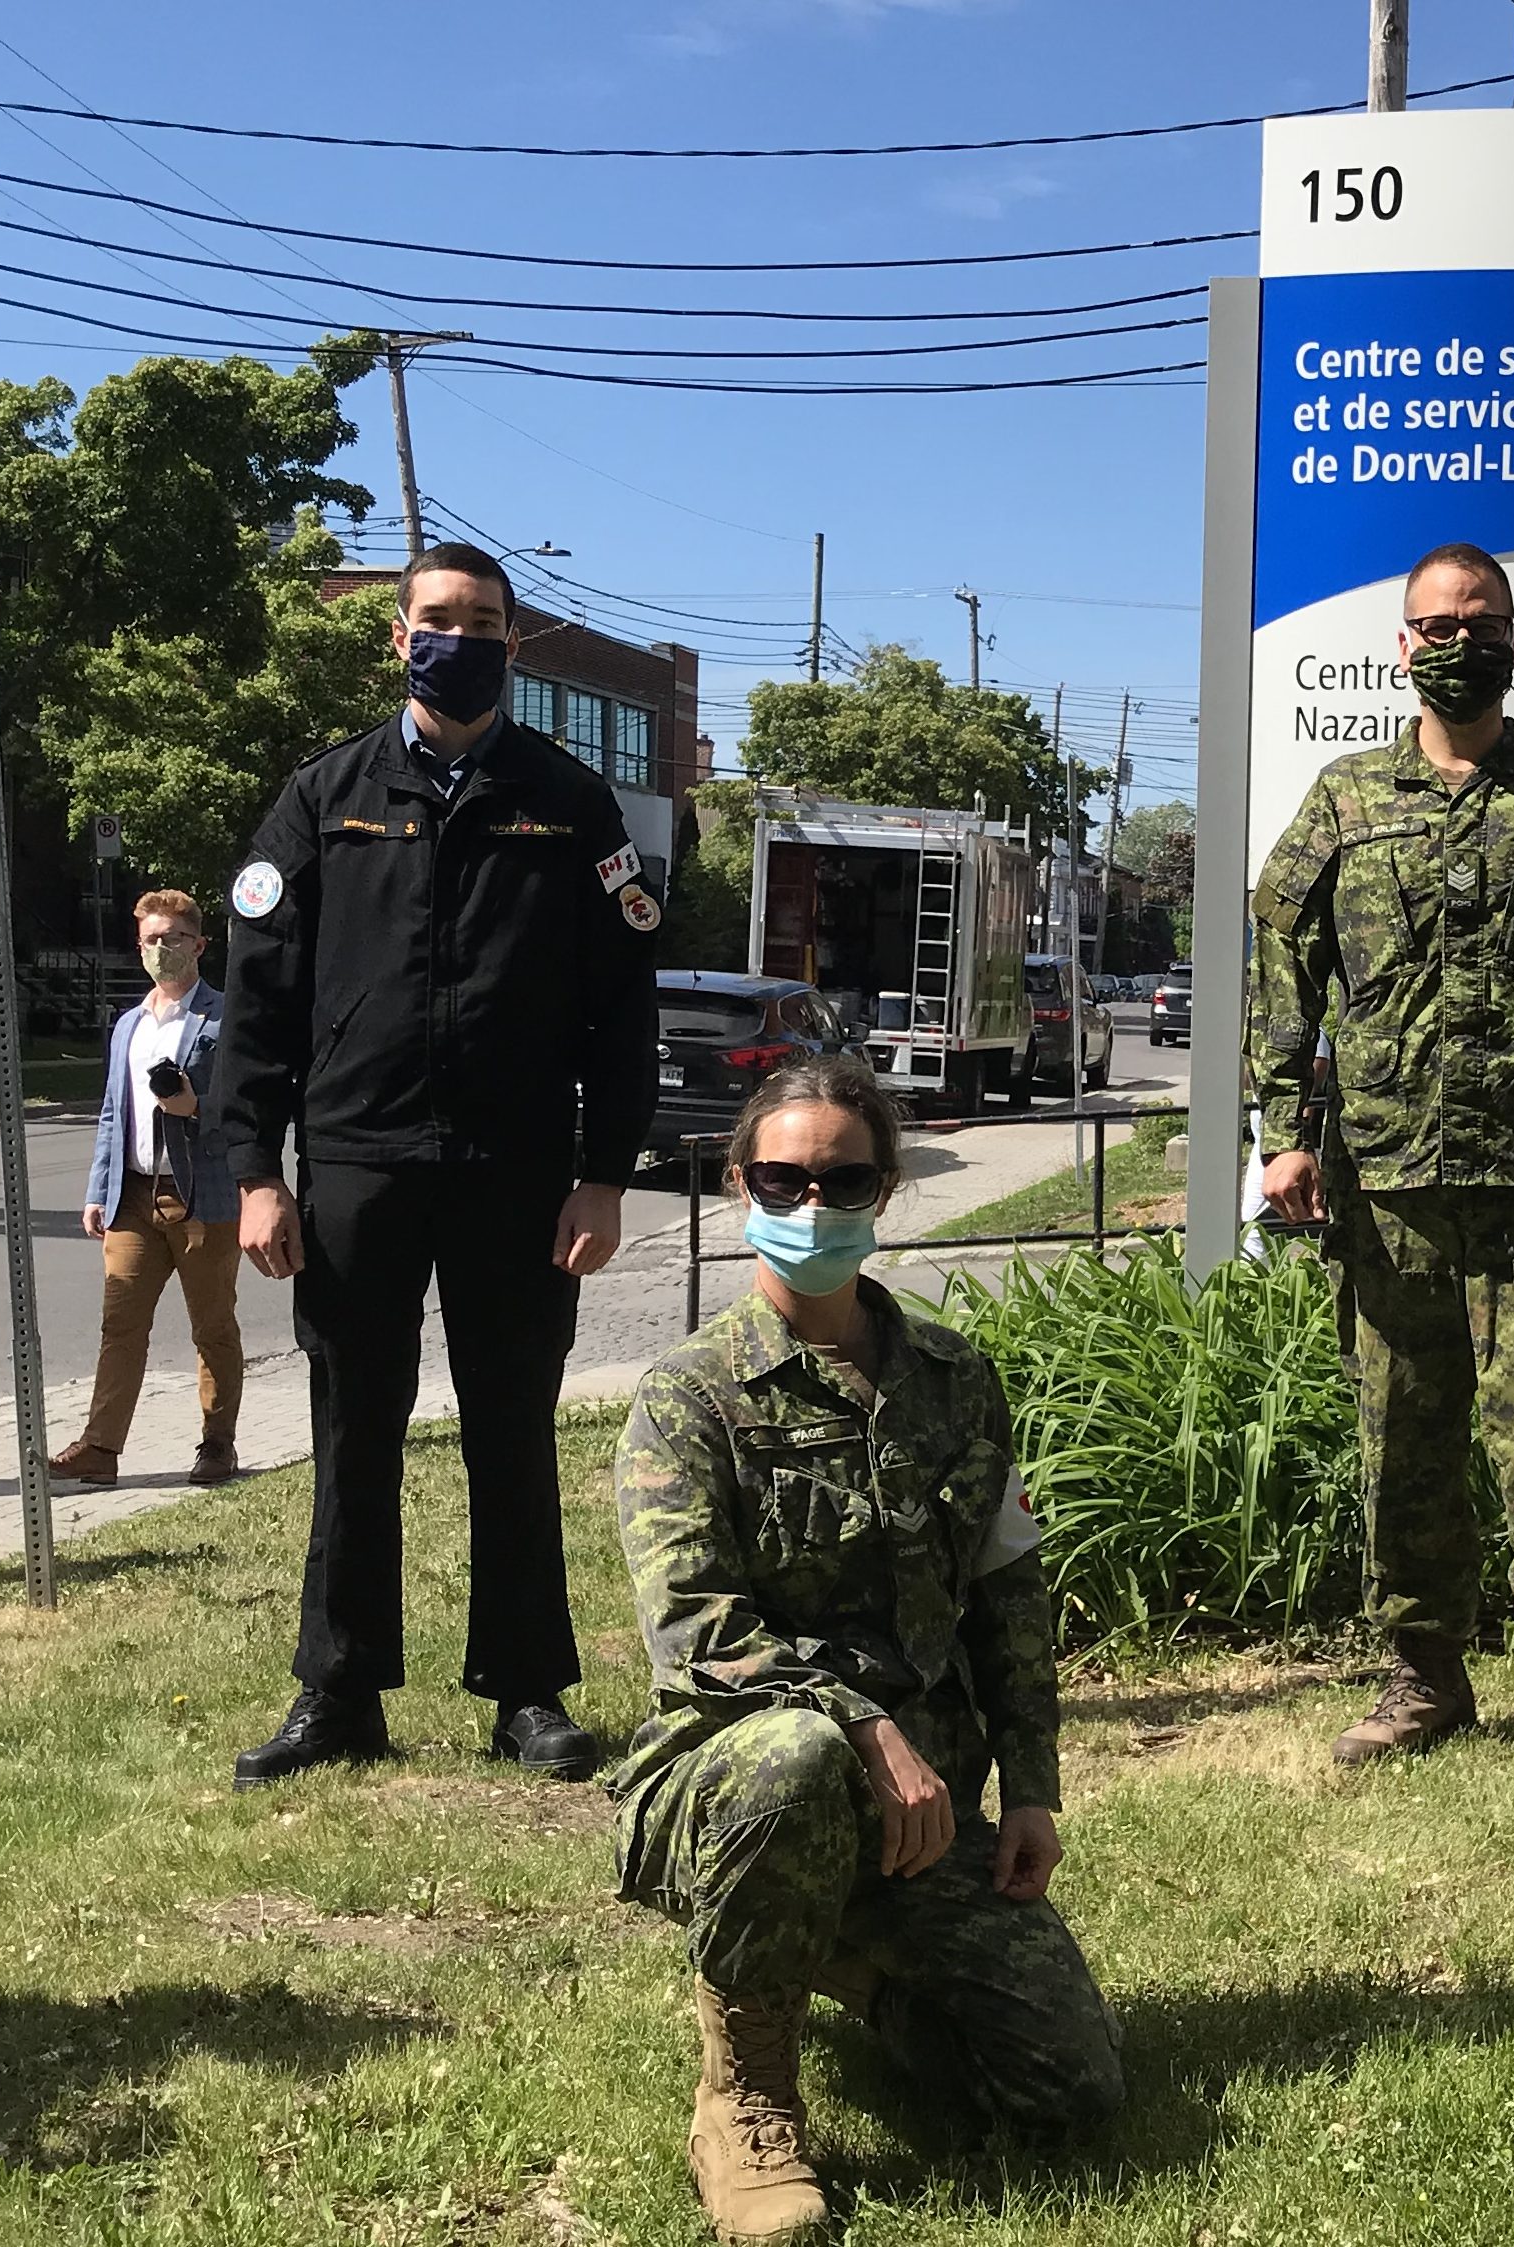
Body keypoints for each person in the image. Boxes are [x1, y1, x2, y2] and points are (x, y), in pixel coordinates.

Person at [607, 1057, 1119, 2240]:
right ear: (739, 1183)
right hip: (734, 1782)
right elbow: (698, 1630)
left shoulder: (954, 1382)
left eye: (841, 1182)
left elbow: (1008, 1597)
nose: (810, 1207)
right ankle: (744, 2093)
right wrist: (866, 1723)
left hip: (917, 1817)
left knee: (1070, 2095)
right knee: (792, 1756)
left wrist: (1032, 1791)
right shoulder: (689, 1397)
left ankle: (849, 1959)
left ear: (884, 1192)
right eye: (781, 1180)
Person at [206, 542, 657, 1790]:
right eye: (438, 619)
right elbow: (261, 1000)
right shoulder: (322, 797)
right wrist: (254, 1168)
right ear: (398, 637)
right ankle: (338, 1691)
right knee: (353, 1431)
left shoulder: (570, 802)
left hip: (519, 1172)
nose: (459, 639)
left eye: (485, 622)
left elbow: (621, 1007)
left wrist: (604, 1172)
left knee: (511, 1426)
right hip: (358, 1165)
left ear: (514, 644)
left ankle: (525, 1692)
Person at [1254, 539, 1514, 1802]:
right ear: (1400, 644)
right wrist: (1282, 1128)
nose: (1456, 641)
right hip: (1383, 1183)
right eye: (1434, 623)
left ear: (1511, 635)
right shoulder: (1342, 797)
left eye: (1478, 621)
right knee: (1402, 1436)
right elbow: (1280, 949)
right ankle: (1422, 1673)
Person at [53, 890, 245, 1492]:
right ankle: (101, 1448)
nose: (162, 950)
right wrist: (96, 1189)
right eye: (151, 940)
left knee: (212, 1326)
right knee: (121, 1325)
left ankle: (217, 1446)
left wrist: (197, 1106)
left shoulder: (225, 1018)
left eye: (174, 938)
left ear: (200, 945)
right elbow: (113, 1112)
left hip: (202, 1199)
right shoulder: (129, 1025)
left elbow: (250, 1107)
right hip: (133, 1198)